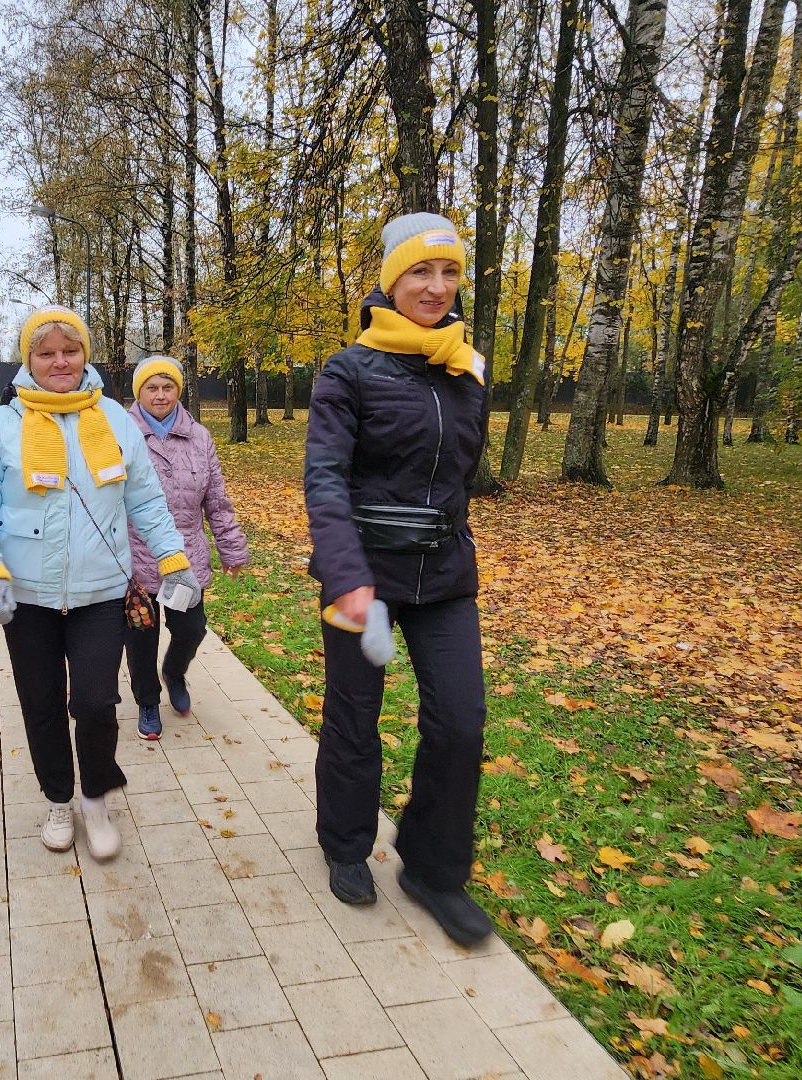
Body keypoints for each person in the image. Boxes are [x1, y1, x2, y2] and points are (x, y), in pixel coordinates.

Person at [304, 212, 493, 946]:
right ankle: (346, 844)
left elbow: (459, 478)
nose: (436, 287)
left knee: (460, 722)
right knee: (355, 716)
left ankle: (433, 869)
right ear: (391, 280)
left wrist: (455, 538)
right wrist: (347, 575)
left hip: (444, 576)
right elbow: (325, 478)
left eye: (449, 273)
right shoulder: (348, 372)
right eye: (420, 271)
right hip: (365, 577)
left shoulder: (466, 369)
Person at [0, 306, 195, 860]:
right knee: (40, 703)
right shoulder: (2, 426)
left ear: (86, 355)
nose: (60, 361)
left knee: (95, 702)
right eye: (46, 353)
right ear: (28, 359)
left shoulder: (114, 419)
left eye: (70, 350)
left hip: (101, 594)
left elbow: (145, 499)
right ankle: (59, 799)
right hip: (26, 598)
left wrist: (172, 558)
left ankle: (95, 797)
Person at [123, 356, 249, 739]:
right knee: (141, 637)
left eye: (168, 387)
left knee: (192, 629)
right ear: (139, 392)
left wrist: (231, 548)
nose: (160, 395)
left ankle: (174, 672)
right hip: (137, 561)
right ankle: (147, 700)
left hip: (185, 560)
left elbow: (217, 501)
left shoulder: (199, 438)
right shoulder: (120, 434)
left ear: (178, 390)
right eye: (152, 388)